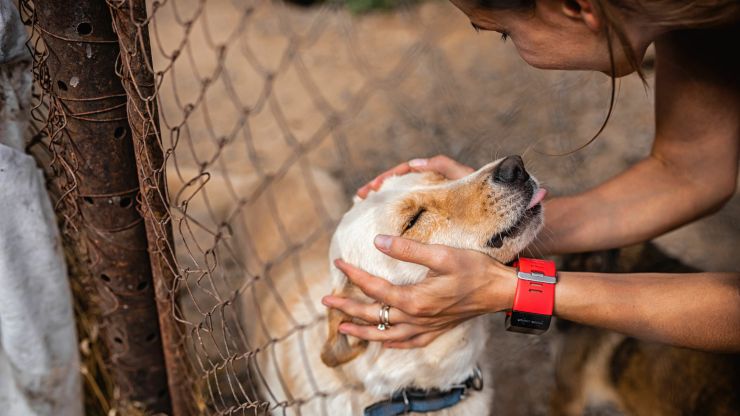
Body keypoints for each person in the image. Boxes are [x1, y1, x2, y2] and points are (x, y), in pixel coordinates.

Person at [321, 0, 740, 352]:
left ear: (578, 7)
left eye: (504, 32)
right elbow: (688, 171)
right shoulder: (694, 19)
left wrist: (515, 290)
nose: (514, 45)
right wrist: (507, 220)